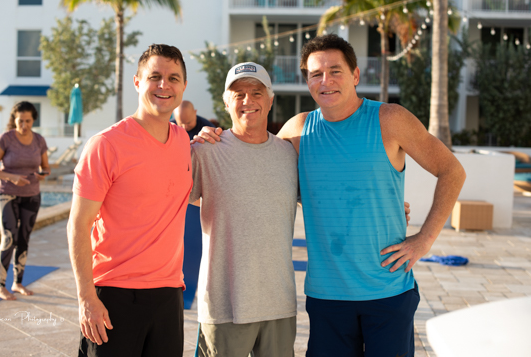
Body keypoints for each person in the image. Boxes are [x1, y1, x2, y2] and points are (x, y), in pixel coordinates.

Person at [195, 34, 465, 357]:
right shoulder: (297, 131)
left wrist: (424, 240)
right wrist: (213, 138)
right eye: (315, 74)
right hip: (327, 300)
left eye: (335, 71)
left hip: (387, 291)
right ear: (307, 81)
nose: (326, 81)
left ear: (355, 75)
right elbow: (259, 172)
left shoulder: (389, 120)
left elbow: (452, 171)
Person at [67, 44, 192, 357]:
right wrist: (86, 298)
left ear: (183, 86)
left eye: (173, 78)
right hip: (114, 295)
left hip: (168, 294)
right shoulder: (106, 145)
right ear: (137, 82)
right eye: (155, 77)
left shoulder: (182, 140)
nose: (165, 85)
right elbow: (79, 224)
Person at [190, 62, 299, 357]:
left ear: (270, 98)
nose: (248, 101)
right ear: (226, 102)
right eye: (238, 94)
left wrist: (391, 207)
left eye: (256, 92)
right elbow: (159, 195)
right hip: (224, 307)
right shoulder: (204, 151)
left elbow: (328, 200)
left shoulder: (290, 155)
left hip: (279, 304)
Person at [0, 101, 50, 301]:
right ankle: (0, 285)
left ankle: (18, 282)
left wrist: (43, 174)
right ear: (14, 119)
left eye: (28, 121)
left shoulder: (39, 140)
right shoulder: (6, 139)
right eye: (20, 121)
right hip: (6, 193)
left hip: (31, 195)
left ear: (33, 120)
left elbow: (46, 168)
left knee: (23, 238)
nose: (24, 125)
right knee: (9, 237)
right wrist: (12, 177)